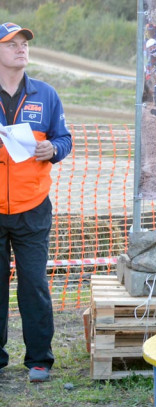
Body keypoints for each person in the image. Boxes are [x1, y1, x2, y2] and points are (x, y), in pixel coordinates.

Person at [0, 23, 73, 383]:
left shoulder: (46, 95)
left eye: (24, 43)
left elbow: (65, 139)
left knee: (33, 284)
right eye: (11, 44)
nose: (20, 49)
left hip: (33, 206)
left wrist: (53, 149)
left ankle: (40, 360)